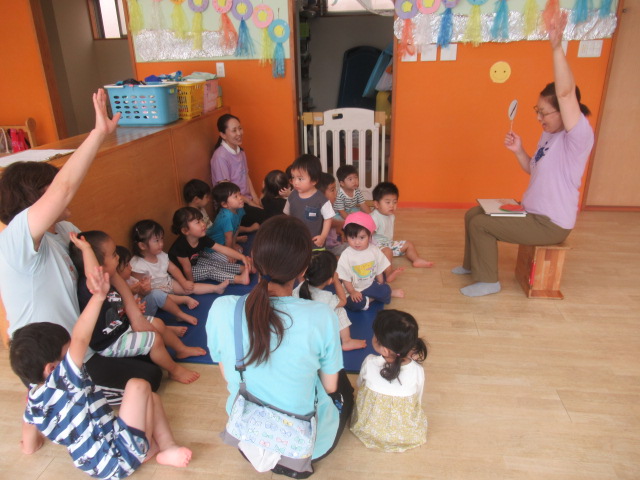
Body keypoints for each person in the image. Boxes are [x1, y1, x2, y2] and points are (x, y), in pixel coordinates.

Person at [0, 89, 162, 403]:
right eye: (50, 189)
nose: (67, 194)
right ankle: (47, 395)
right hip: (55, 356)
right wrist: (98, 134)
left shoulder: (66, 230)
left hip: (84, 340)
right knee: (149, 379)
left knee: (153, 359)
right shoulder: (16, 239)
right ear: (36, 200)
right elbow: (63, 189)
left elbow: (106, 269)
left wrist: (133, 310)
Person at [453, 9, 594, 297]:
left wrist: (556, 46)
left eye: (544, 112)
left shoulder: (577, 137)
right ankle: (472, 265)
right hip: (530, 211)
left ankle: (489, 281)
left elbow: (566, 93)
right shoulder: (548, 134)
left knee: (482, 225)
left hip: (550, 224)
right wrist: (519, 151)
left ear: (565, 112)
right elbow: (533, 168)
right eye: (537, 111)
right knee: (472, 214)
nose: (539, 118)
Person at [206, 216, 354, 478]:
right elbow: (330, 387)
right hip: (307, 446)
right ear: (303, 269)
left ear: (254, 259)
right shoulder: (322, 316)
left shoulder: (222, 309)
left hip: (248, 437)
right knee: (342, 385)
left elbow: (228, 376)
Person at [11, 266, 193, 474]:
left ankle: (160, 448)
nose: (74, 356)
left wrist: (28, 447)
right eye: (67, 354)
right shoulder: (62, 379)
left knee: (151, 398)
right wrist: (98, 297)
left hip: (95, 465)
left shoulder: (33, 401)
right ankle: (156, 448)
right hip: (117, 458)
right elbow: (80, 337)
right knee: (138, 386)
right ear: (51, 368)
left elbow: (29, 438)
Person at [69, 231, 203, 383]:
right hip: (111, 342)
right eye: (113, 255)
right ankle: (174, 371)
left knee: (158, 323)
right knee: (154, 340)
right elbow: (93, 273)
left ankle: (181, 350)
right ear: (99, 266)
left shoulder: (111, 276)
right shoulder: (92, 286)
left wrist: (133, 313)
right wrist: (86, 249)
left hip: (124, 326)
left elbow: (119, 299)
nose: (117, 257)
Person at [350, 309, 428, 452]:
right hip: (405, 435)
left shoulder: (370, 362)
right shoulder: (417, 370)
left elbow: (360, 385)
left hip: (370, 430)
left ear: (385, 350)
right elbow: (418, 398)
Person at [130, 219, 229, 305]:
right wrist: (145, 290)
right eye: (156, 241)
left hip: (168, 283)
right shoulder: (138, 265)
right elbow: (139, 290)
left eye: (161, 239)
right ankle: (184, 300)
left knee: (189, 288)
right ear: (142, 246)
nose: (161, 244)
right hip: (154, 292)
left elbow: (173, 268)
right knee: (164, 298)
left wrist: (183, 282)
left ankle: (216, 288)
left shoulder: (160, 255)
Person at [294, 250, 366, 351]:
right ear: (329, 280)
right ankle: (347, 341)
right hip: (316, 335)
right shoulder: (326, 297)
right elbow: (343, 301)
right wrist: (336, 280)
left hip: (299, 331)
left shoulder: (299, 288)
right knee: (339, 309)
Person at [115, 245, 198, 328]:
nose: (131, 267)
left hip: (143, 309)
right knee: (157, 324)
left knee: (156, 293)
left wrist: (145, 290)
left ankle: (180, 314)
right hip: (132, 320)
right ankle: (168, 328)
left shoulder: (131, 280)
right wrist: (130, 293)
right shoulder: (114, 290)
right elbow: (120, 312)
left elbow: (141, 297)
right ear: (116, 270)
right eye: (126, 265)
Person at [337, 212, 404, 311]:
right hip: (354, 288)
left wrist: (381, 283)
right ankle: (372, 298)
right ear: (346, 236)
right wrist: (352, 292)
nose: (357, 242)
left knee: (385, 290)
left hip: (370, 284)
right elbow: (345, 278)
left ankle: (379, 296)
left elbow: (378, 268)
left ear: (370, 235)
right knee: (353, 304)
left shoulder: (374, 250)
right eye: (352, 237)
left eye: (362, 237)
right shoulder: (346, 255)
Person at [210, 113, 267, 227]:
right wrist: (250, 202)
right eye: (234, 130)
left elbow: (246, 176)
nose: (239, 133)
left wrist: (255, 198)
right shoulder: (220, 157)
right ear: (223, 134)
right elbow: (227, 192)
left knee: (274, 206)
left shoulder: (240, 151)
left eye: (240, 128)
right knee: (267, 218)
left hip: (245, 201)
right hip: (233, 206)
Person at [169, 207, 251, 285]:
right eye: (197, 222)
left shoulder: (202, 237)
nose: (203, 224)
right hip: (183, 273)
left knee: (214, 264)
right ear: (185, 230)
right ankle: (240, 279)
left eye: (201, 220)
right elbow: (187, 268)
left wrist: (242, 257)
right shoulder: (180, 247)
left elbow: (222, 249)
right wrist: (191, 285)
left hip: (194, 262)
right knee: (210, 270)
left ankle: (244, 268)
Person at [371, 182, 433, 280]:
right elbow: (367, 234)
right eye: (388, 202)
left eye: (395, 202)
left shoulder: (391, 215)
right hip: (376, 247)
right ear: (376, 204)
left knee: (408, 244)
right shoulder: (374, 218)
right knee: (388, 252)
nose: (392, 205)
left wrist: (389, 245)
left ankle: (416, 260)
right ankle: (388, 273)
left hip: (388, 243)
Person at [284, 154, 334, 249]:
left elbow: (328, 219)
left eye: (300, 179)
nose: (295, 182)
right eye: (293, 177)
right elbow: (287, 216)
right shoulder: (292, 196)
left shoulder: (321, 200)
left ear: (314, 181)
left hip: (315, 244)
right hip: (295, 243)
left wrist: (323, 237)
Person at [207, 181, 256, 252]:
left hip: (226, 241)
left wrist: (233, 244)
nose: (240, 198)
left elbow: (237, 228)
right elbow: (228, 238)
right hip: (214, 247)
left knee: (238, 251)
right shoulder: (227, 217)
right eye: (235, 196)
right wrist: (231, 253)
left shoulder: (239, 208)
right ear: (225, 204)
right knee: (232, 257)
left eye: (240, 194)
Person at [317, 172, 348, 256]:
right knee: (355, 248)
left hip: (335, 242)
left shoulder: (329, 206)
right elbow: (330, 223)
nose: (336, 193)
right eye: (332, 190)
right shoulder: (320, 208)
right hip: (329, 248)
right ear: (320, 194)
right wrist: (343, 223)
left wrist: (338, 230)